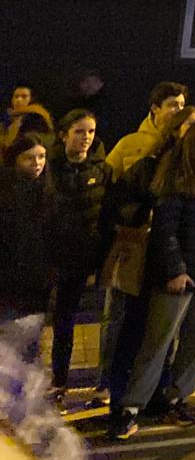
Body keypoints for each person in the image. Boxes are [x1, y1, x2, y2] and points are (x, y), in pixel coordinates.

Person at [116, 117, 195, 438]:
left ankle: (177, 397)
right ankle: (130, 407)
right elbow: (165, 231)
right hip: (184, 269)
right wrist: (175, 270)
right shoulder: (179, 178)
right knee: (159, 338)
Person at [102, 104, 195, 427]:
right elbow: (117, 204)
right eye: (191, 127)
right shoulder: (149, 166)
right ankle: (120, 404)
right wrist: (145, 217)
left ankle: (157, 397)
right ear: (176, 131)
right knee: (133, 331)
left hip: (178, 264)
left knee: (165, 337)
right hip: (146, 261)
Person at [47, 110, 110, 403]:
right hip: (51, 257)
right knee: (44, 322)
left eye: (90, 132)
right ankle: (49, 381)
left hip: (83, 259)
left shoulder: (100, 169)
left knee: (69, 321)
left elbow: (106, 214)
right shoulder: (50, 166)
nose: (86, 138)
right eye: (79, 131)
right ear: (64, 134)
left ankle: (62, 382)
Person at [0, 134, 55, 329]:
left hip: (38, 282)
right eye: (29, 157)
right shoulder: (6, 191)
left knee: (29, 341)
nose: (37, 163)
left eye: (41, 156)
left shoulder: (50, 191)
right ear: (16, 159)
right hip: (8, 281)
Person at [105, 83, 188, 179]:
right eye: (173, 105)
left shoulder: (187, 141)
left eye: (182, 105)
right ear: (155, 108)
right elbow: (106, 177)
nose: (180, 110)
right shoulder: (128, 143)